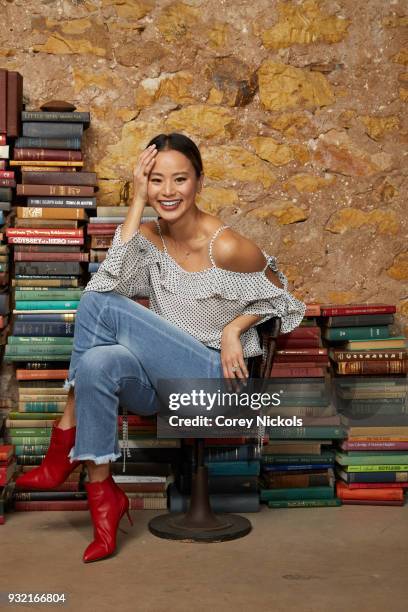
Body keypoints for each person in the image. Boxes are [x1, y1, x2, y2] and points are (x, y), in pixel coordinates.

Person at [15, 133, 306, 562]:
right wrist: (135, 202)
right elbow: (109, 280)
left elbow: (286, 297)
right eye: (155, 180)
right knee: (97, 361)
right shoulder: (150, 241)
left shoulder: (225, 246)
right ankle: (104, 493)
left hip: (216, 386)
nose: (168, 192)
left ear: (199, 182)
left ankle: (64, 444)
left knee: (99, 305)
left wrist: (235, 328)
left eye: (180, 180)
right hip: (161, 388)